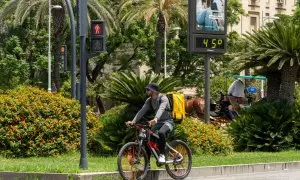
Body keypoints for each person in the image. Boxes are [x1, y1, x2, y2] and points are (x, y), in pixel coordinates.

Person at [126, 83, 174, 164]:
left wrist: (155, 118)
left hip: (168, 122)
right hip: (158, 123)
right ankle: (147, 164)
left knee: (161, 133)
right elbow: (142, 111)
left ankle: (162, 155)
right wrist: (133, 121)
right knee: (147, 140)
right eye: (146, 89)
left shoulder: (163, 98)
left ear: (154, 91)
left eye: (148, 89)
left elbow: (161, 109)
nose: (146, 91)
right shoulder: (149, 100)